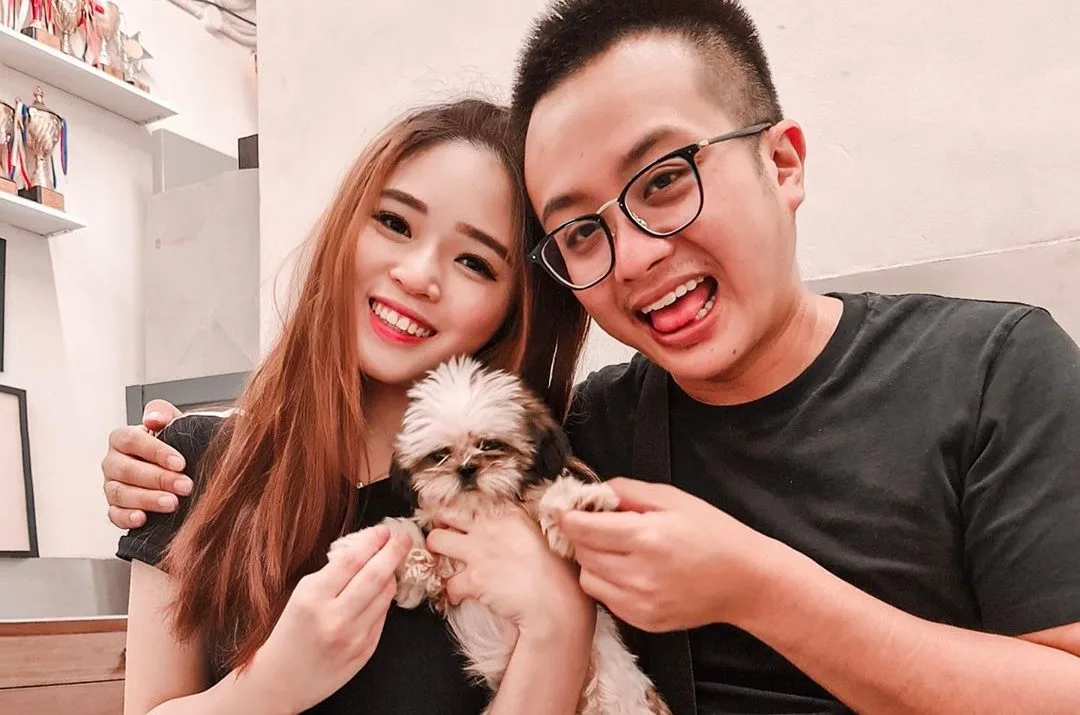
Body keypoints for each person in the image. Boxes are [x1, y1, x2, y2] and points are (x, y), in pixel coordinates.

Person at [103, 1, 1080, 713]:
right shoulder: (583, 430)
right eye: (579, 230)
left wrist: (751, 584)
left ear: (782, 162)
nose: (637, 256)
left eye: (664, 180)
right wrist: (203, 446)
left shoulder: (991, 369)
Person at [110, 98, 596, 715]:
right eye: (394, 223)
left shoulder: (522, 510)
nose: (417, 274)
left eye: (474, 262)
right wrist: (268, 689)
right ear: (348, 226)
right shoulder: (185, 465)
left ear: (514, 307)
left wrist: (561, 622)